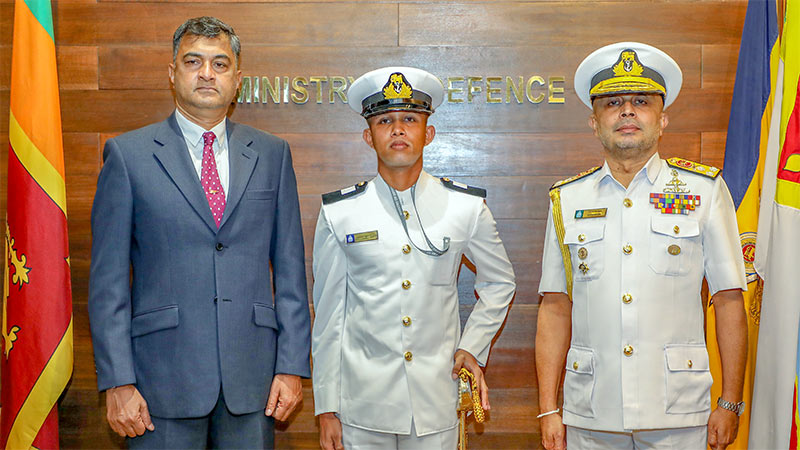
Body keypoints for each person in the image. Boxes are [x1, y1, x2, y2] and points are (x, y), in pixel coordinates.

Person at [88, 16, 310, 448]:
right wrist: (117, 380)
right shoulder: (128, 156)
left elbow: (290, 274)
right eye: (193, 61)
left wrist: (290, 367)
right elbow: (108, 282)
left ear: (238, 79)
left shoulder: (272, 154)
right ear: (173, 74)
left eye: (220, 64)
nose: (207, 73)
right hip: (157, 385)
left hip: (253, 383)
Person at [536, 42, 748, 450]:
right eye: (613, 102)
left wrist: (730, 402)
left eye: (641, 101)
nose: (627, 111)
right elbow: (554, 305)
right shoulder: (568, 199)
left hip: (680, 414)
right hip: (592, 412)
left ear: (662, 119)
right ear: (594, 123)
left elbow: (728, 299)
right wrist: (549, 408)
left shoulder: (703, 191)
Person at [311, 66, 516, 449]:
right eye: (385, 120)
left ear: (429, 132)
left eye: (410, 119)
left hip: (435, 400)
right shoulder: (340, 212)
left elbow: (500, 282)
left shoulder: (464, 207)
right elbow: (329, 317)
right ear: (368, 137)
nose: (398, 129)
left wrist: (472, 345)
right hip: (362, 408)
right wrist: (326, 407)